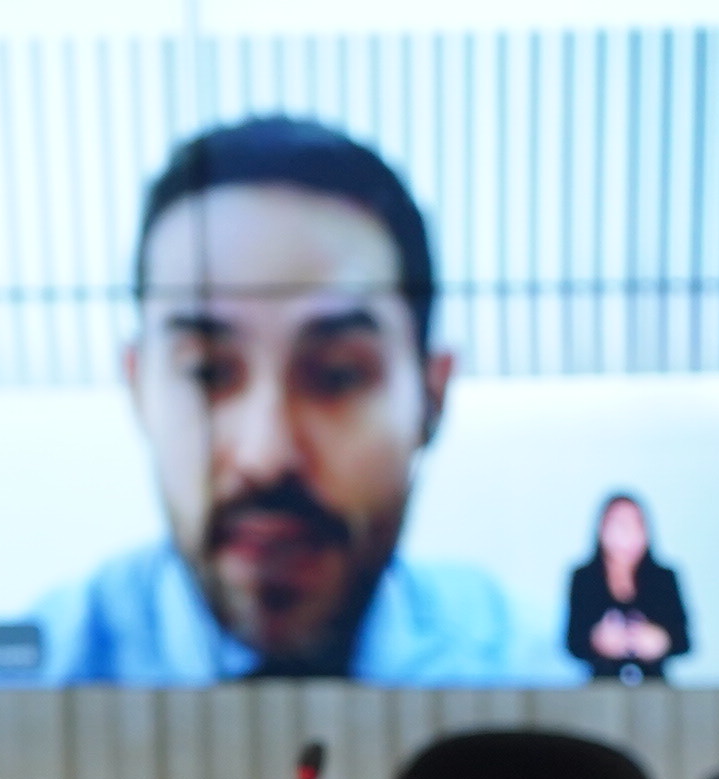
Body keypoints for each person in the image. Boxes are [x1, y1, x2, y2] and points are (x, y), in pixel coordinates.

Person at [34, 116, 540, 685]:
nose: (266, 454)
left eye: (337, 376)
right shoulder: (15, 686)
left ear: (432, 395)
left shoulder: (539, 677)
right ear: (137, 389)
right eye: (207, 373)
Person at [565, 491, 693, 682]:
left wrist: (661, 641)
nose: (628, 533)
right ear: (602, 529)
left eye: (636, 524)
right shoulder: (584, 578)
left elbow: (684, 642)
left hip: (654, 686)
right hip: (601, 686)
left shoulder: (663, 578)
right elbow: (572, 643)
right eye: (620, 524)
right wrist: (597, 641)